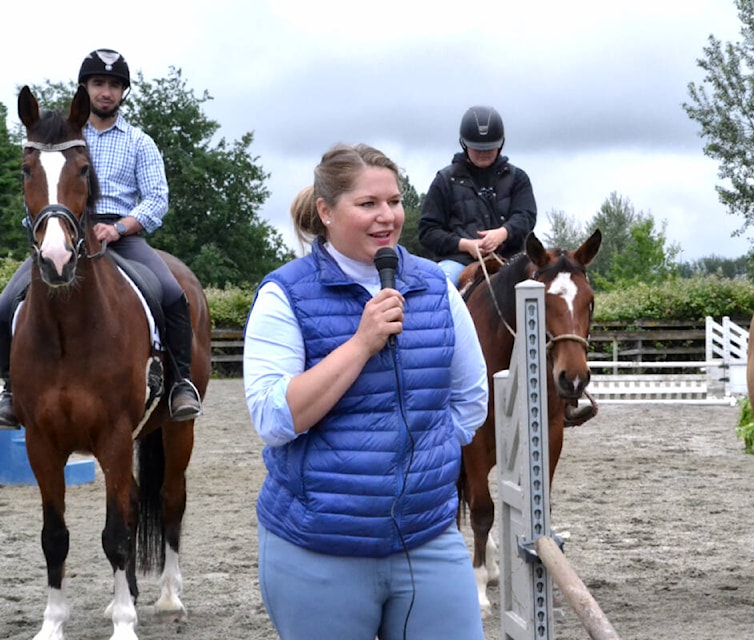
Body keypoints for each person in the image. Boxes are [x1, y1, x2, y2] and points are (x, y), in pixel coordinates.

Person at [243, 144, 488, 639]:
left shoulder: (435, 288)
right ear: (326, 212)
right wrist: (360, 344)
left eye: (394, 202)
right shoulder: (283, 294)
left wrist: (425, 460)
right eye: (368, 204)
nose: (387, 217)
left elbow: (470, 399)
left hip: (427, 540)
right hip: (319, 546)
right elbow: (272, 419)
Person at [0, 48, 202, 427]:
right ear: (85, 89)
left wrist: (120, 227)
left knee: (172, 294)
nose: (105, 92)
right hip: (65, 230)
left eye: (113, 85)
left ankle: (180, 384)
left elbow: (157, 198)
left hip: (123, 234)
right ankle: (9, 389)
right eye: (98, 83)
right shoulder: (63, 137)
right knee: (5, 301)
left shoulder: (139, 141)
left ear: (123, 92)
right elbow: (41, 187)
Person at [418, 105, 537, 284]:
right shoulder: (445, 180)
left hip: (511, 258)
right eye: (477, 148)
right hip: (459, 262)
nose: (483, 153)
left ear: (500, 144)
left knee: (544, 286)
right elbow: (428, 231)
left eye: (489, 148)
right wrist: (466, 245)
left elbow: (526, 216)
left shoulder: (517, 178)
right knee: (441, 284)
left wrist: (503, 233)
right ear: (464, 144)